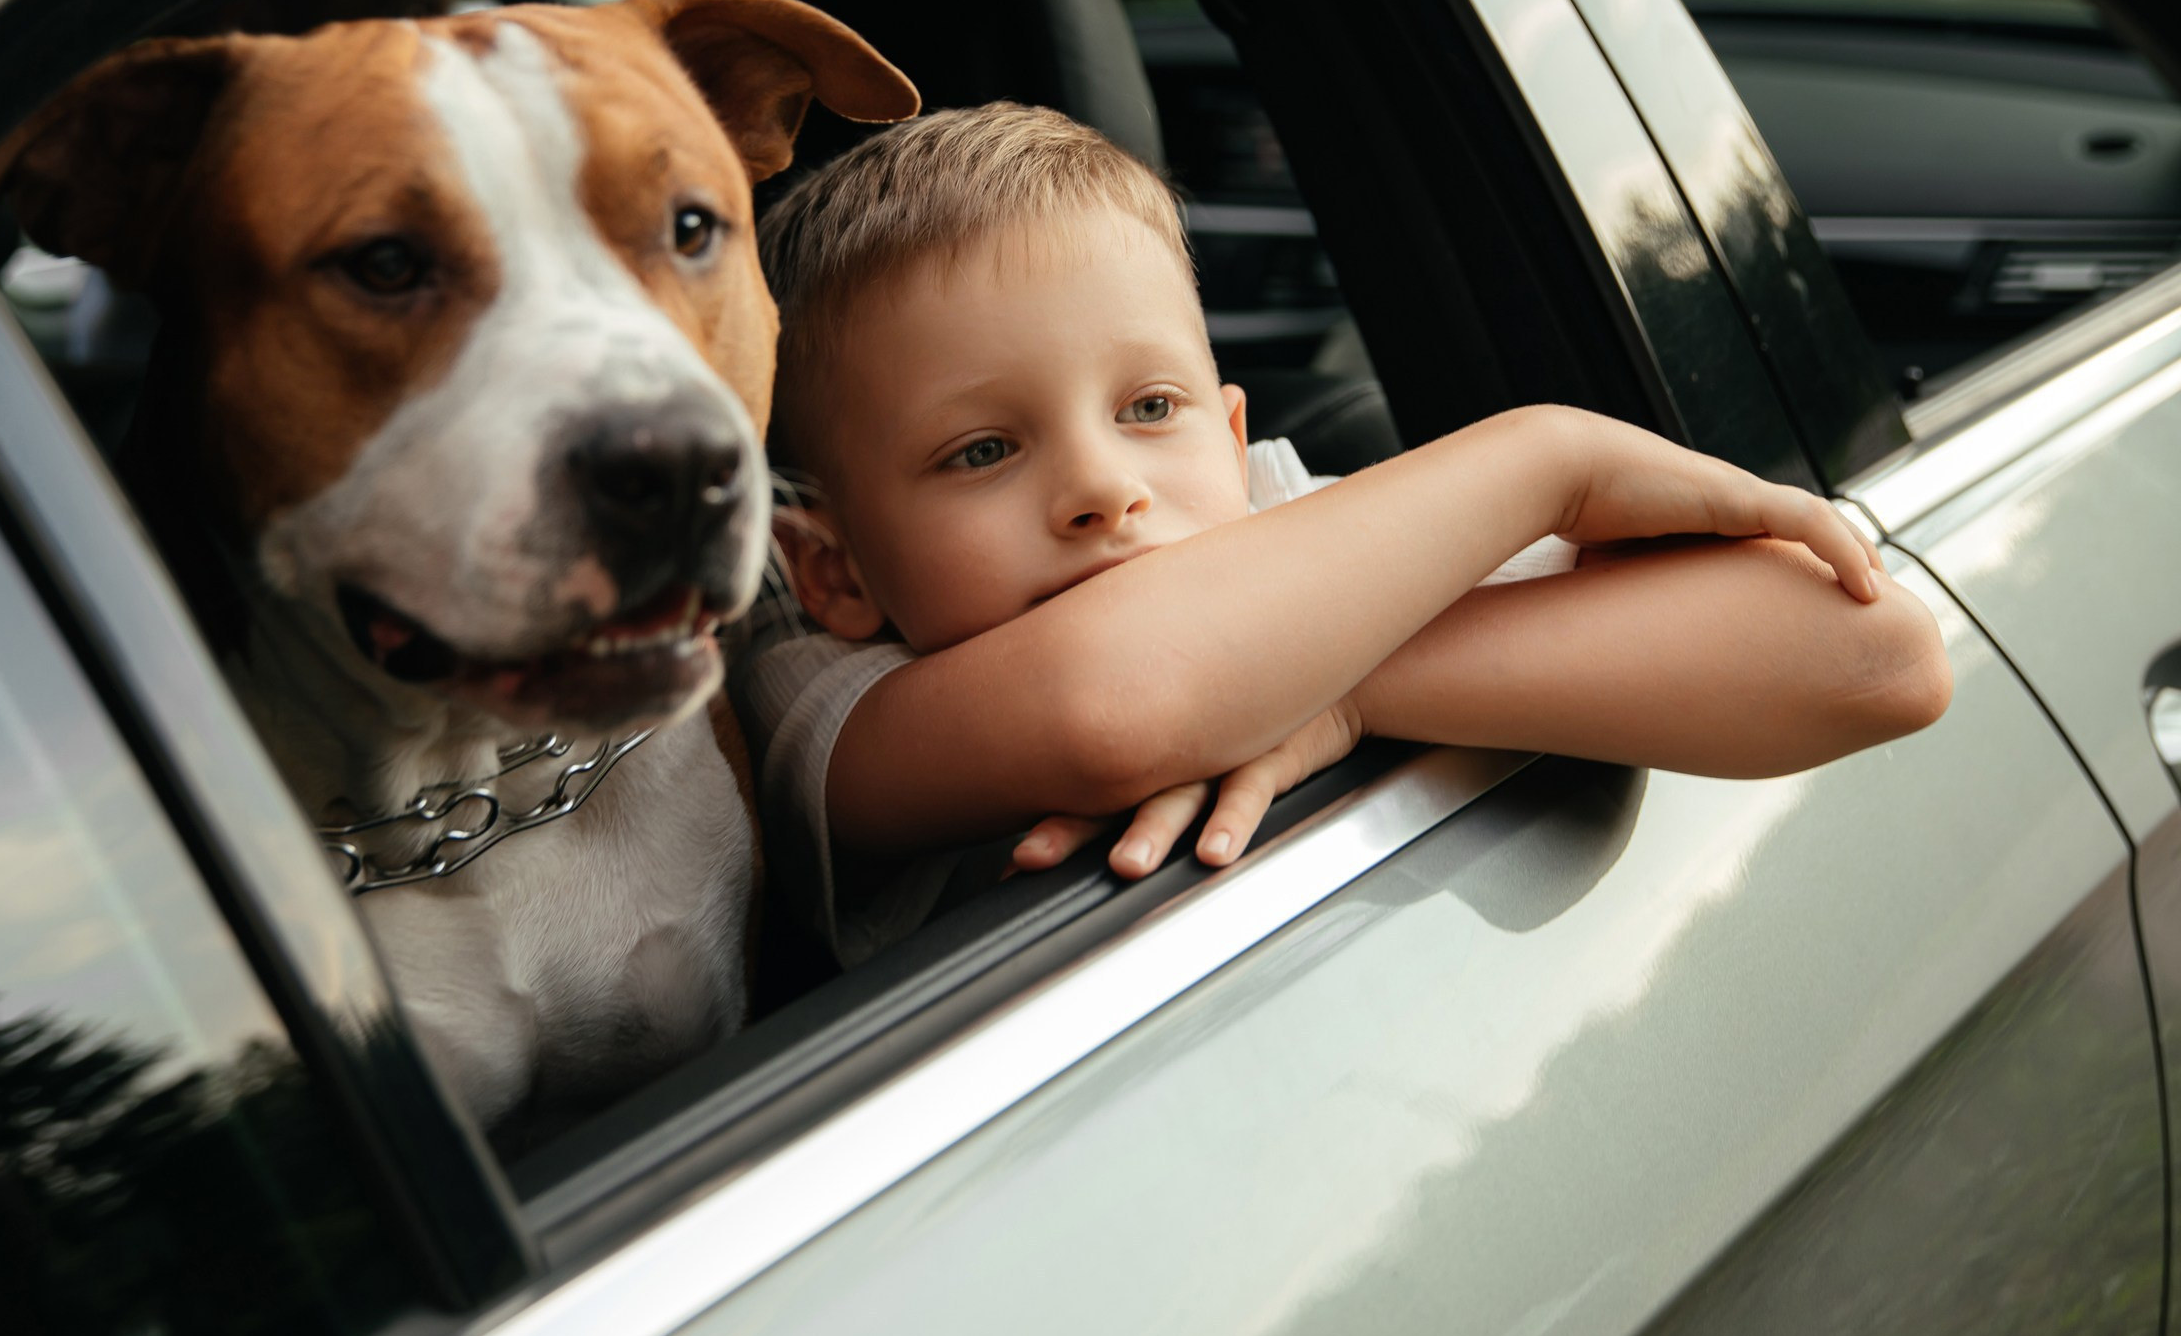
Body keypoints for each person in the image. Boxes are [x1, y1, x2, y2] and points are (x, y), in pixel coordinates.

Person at [740, 103, 1951, 968]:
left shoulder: (1278, 520)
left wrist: (1344, 696)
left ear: (1230, 437)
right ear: (834, 568)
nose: (1103, 490)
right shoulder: (820, 699)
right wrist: (1549, 458)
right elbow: (1110, 706)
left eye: (1150, 409)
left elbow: (1877, 659)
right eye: (982, 452)